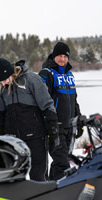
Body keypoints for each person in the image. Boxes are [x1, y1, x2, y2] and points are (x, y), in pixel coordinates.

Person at [0, 58, 59, 181]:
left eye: (3, 80)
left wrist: (53, 131)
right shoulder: (1, 88)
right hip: (13, 140)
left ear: (9, 73)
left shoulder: (31, 80)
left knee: (38, 176)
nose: (2, 84)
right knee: (14, 179)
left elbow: (47, 106)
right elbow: (1, 114)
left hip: (36, 138)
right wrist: (0, 137)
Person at [39, 42, 83, 180]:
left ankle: (52, 188)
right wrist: (48, 123)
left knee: (64, 162)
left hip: (69, 126)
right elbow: (41, 101)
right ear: (54, 56)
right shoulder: (47, 73)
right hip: (55, 128)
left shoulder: (69, 74)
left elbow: (74, 100)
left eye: (65, 56)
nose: (62, 59)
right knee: (63, 162)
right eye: (60, 56)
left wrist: (79, 119)